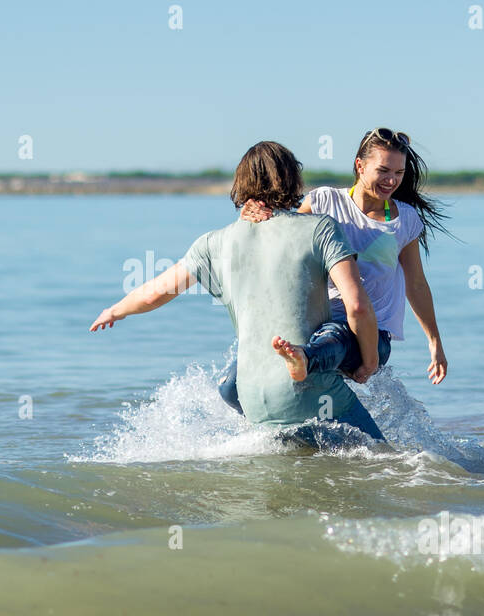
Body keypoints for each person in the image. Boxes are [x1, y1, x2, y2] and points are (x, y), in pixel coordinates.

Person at [89, 140, 385, 441]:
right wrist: (370, 360)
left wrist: (114, 310)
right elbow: (357, 306)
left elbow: (155, 293)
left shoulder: (212, 243)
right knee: (382, 464)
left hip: (250, 395)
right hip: (312, 390)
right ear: (293, 178)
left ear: (241, 184)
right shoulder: (320, 229)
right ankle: (303, 361)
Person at [219, 127, 449, 413]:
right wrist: (252, 216)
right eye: (384, 170)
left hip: (370, 336)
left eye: (399, 173)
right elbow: (280, 239)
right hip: (311, 322)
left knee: (334, 336)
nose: (392, 180)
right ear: (360, 165)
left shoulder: (405, 219)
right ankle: (288, 431)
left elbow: (416, 285)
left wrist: (435, 342)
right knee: (231, 388)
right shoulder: (324, 202)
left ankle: (306, 362)